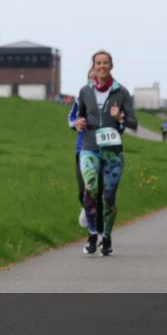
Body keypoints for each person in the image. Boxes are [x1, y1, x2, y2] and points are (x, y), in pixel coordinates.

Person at [74, 51, 137, 257]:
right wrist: (78, 123)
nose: (102, 66)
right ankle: (93, 235)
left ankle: (107, 238)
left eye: (105, 63)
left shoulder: (122, 92)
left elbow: (133, 123)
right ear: (94, 66)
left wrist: (120, 117)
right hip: (90, 148)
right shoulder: (85, 91)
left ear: (111, 66)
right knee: (90, 189)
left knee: (109, 196)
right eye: (98, 63)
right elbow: (77, 117)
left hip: (113, 152)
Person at [69, 70, 103, 234]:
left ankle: (98, 230)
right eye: (90, 77)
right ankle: (88, 209)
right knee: (83, 190)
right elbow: (71, 118)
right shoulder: (80, 97)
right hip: (82, 148)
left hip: (103, 150)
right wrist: (76, 123)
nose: (93, 80)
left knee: (98, 189)